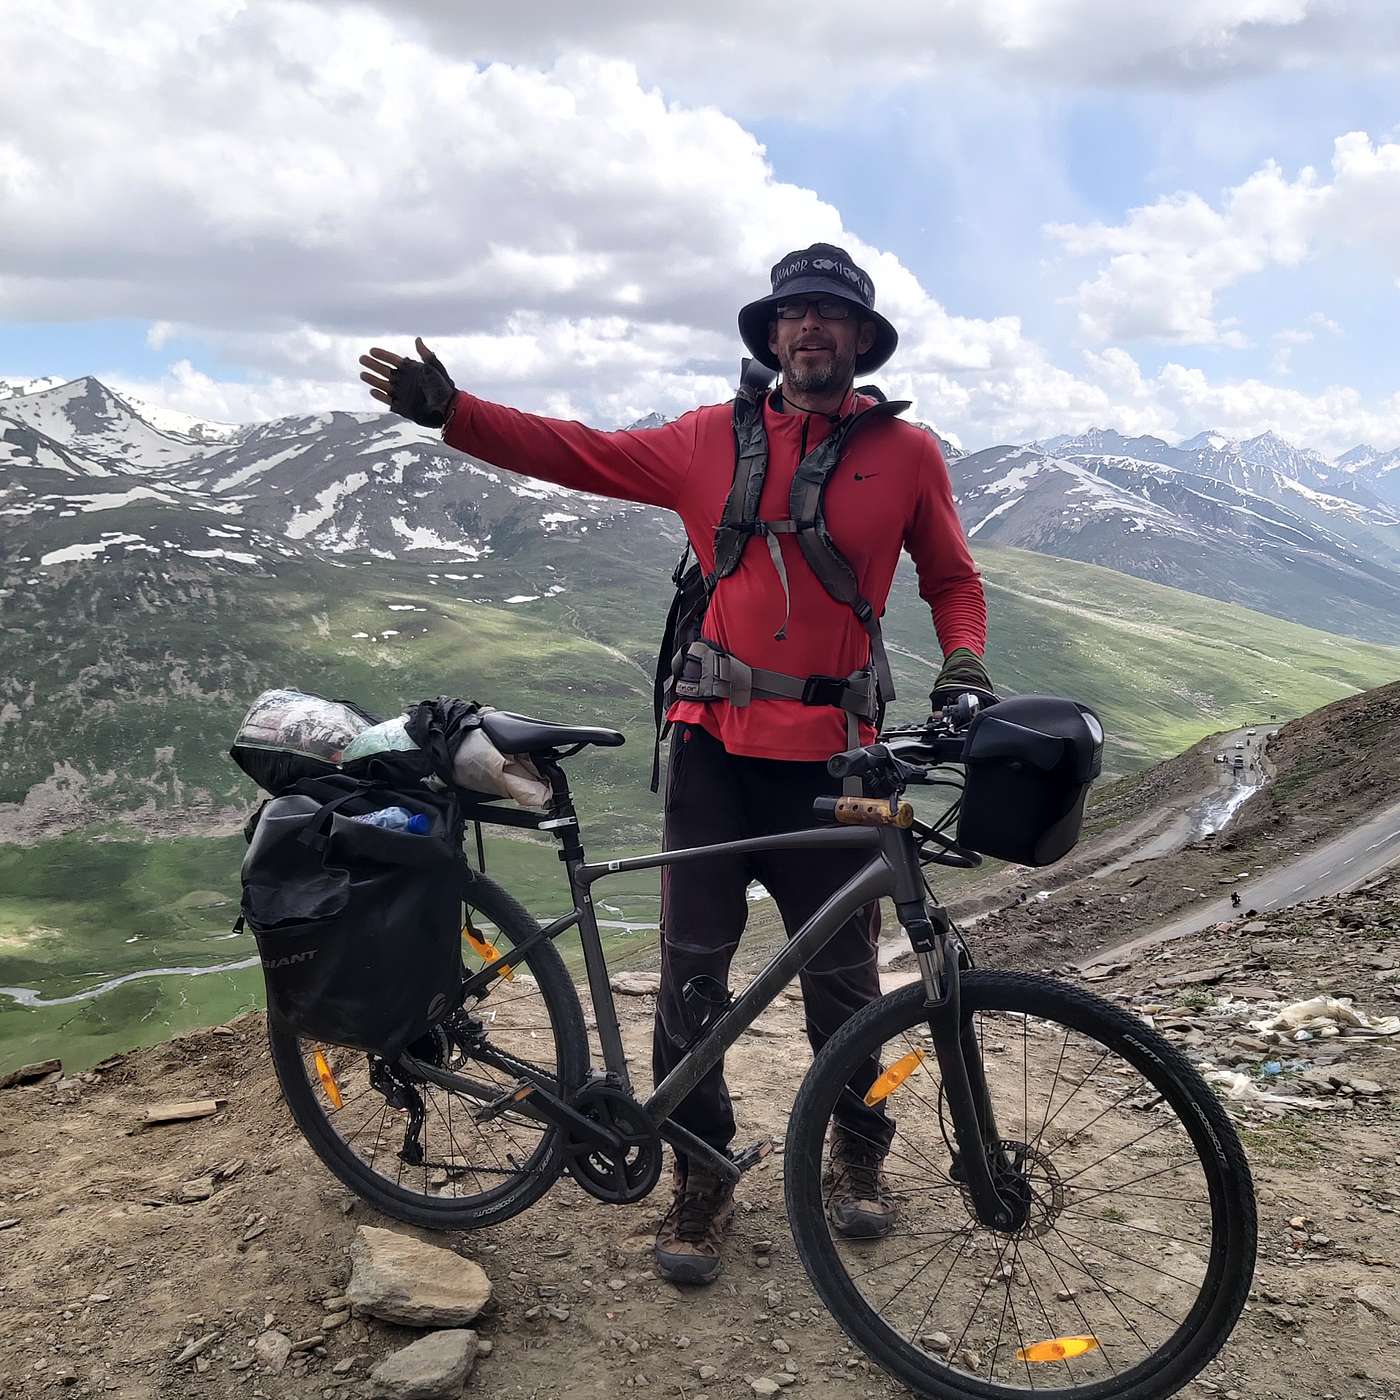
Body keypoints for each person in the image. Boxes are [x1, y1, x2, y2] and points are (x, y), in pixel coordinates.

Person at [359, 242, 991, 1285]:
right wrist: (452, 411)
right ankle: (701, 1172)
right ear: (772, 333)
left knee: (847, 987)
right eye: (794, 313)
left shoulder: (910, 455)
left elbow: (952, 579)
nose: (810, 329)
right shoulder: (706, 440)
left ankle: (857, 1154)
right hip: (710, 753)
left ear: (861, 339)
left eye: (831, 315)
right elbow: (574, 450)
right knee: (692, 978)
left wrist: (962, 664)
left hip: (838, 760)